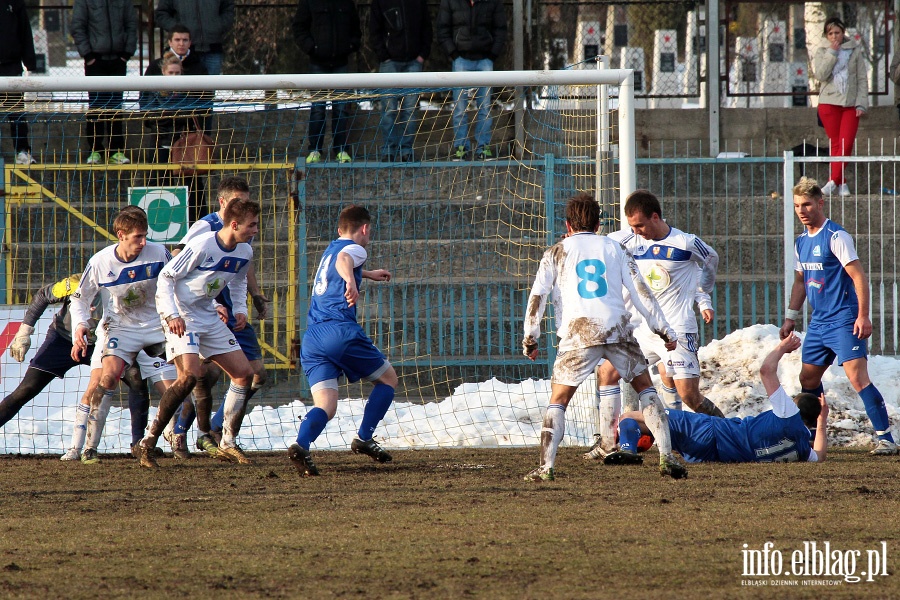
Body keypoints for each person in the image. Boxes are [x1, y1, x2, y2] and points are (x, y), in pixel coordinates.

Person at [521, 193, 687, 482]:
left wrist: (530, 337)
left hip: (578, 332)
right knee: (646, 389)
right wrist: (664, 331)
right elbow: (641, 293)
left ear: (568, 224)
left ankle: (546, 467)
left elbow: (538, 296)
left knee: (558, 399)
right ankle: (666, 456)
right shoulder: (616, 248)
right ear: (599, 223)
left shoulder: (556, 252)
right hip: (616, 329)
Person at [584, 189, 721, 462]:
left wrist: (702, 293)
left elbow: (712, 259)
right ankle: (608, 443)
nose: (635, 231)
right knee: (607, 374)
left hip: (677, 330)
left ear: (655, 216)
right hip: (640, 331)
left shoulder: (686, 242)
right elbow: (595, 246)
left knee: (690, 397)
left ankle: (729, 433)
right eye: (631, 225)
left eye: (639, 225)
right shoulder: (625, 239)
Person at [135, 198, 260, 468]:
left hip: (207, 313)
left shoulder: (244, 252)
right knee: (189, 376)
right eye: (252, 225)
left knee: (244, 374)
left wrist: (240, 309)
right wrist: (171, 315)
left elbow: (238, 281)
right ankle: (148, 442)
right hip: (182, 314)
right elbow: (167, 278)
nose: (255, 230)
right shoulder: (203, 244)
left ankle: (227, 441)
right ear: (235, 224)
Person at [781, 177, 896, 455]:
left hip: (844, 319)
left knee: (858, 378)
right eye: (797, 205)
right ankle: (810, 435)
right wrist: (790, 317)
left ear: (820, 203)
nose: (801, 210)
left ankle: (886, 440)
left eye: (807, 204)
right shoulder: (800, 242)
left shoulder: (836, 236)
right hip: (819, 323)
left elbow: (859, 277)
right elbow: (800, 282)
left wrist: (863, 316)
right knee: (807, 380)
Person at [165, 176, 269, 458]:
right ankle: (180, 432)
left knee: (256, 373)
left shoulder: (245, 231)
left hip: (232, 312)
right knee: (201, 376)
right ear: (223, 202)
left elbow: (242, 267)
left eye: (246, 200)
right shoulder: (204, 227)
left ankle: (215, 427)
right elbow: (177, 258)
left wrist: (254, 297)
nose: (243, 205)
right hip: (202, 310)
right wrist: (177, 304)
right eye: (238, 201)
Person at [289, 205, 396, 477]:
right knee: (388, 380)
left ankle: (301, 445)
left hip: (313, 337)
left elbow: (339, 262)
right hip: (339, 332)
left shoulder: (330, 249)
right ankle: (363, 437)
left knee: (326, 404)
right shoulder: (354, 247)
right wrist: (351, 281)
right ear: (365, 229)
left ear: (339, 230)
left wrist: (366, 275)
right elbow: (345, 260)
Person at [612, 334, 828, 464]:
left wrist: (782, 348)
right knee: (659, 429)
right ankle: (638, 440)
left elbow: (766, 371)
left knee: (631, 417)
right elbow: (819, 456)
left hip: (709, 431)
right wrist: (822, 421)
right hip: (711, 455)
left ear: (796, 409)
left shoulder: (788, 415)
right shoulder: (800, 448)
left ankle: (627, 450)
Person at [436, 0, 507, 161]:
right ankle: (461, 148)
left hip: (485, 60)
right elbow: (442, 29)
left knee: (485, 107)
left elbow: (501, 29)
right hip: (460, 59)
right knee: (460, 107)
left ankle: (483, 148)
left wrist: (492, 55)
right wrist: (454, 54)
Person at [293, 0, 361, 164]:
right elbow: (299, 27)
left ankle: (341, 150)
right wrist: (312, 48)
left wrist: (350, 46)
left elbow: (356, 29)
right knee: (317, 109)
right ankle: (315, 150)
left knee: (341, 108)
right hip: (318, 64)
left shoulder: (347, 3)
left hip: (341, 63)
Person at [70, 0, 137, 165]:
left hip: (118, 60)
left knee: (115, 107)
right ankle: (95, 150)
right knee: (96, 107)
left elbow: (131, 26)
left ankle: (116, 151)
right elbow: (78, 27)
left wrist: (126, 54)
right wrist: (88, 56)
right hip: (95, 61)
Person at [369, 0, 432, 162]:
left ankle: (406, 150)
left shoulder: (419, 3)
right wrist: (384, 56)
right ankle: (389, 149)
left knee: (410, 109)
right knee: (389, 109)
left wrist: (422, 55)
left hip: (413, 62)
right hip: (390, 62)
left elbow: (427, 28)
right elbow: (374, 31)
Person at [812, 16, 867, 197]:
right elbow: (821, 74)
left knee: (847, 143)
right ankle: (841, 183)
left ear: (843, 32)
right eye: (830, 33)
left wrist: (861, 103)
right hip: (829, 103)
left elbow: (861, 79)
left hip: (850, 104)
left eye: (837, 32)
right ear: (827, 36)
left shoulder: (854, 50)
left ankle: (832, 182)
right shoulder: (822, 51)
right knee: (836, 143)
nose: (834, 36)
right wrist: (832, 54)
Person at [0, 0, 37, 165]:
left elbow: (24, 31)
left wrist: (30, 62)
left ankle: (22, 151)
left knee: (16, 113)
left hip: (11, 67)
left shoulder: (14, 2)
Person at [154, 0, 234, 75]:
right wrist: (178, 30)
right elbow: (162, 13)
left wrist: (218, 26)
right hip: (184, 51)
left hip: (213, 47)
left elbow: (228, 9)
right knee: (183, 87)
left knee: (209, 87)